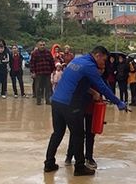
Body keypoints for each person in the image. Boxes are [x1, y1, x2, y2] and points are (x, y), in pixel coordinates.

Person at [44, 46, 127, 175]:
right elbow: (103, 87)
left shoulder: (77, 61)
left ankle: (49, 163)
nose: (103, 63)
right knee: (78, 135)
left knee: (57, 133)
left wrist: (91, 91)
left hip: (56, 101)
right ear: (98, 55)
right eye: (104, 60)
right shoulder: (89, 66)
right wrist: (118, 102)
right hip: (70, 103)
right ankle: (80, 167)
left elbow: (76, 81)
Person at [31, 40, 55, 105]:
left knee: (48, 87)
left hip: (47, 72)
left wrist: (54, 70)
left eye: (43, 45)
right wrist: (33, 72)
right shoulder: (34, 53)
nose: (42, 46)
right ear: (38, 45)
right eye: (41, 45)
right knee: (38, 87)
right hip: (38, 73)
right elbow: (32, 63)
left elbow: (52, 62)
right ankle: (38, 101)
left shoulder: (48, 53)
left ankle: (47, 100)